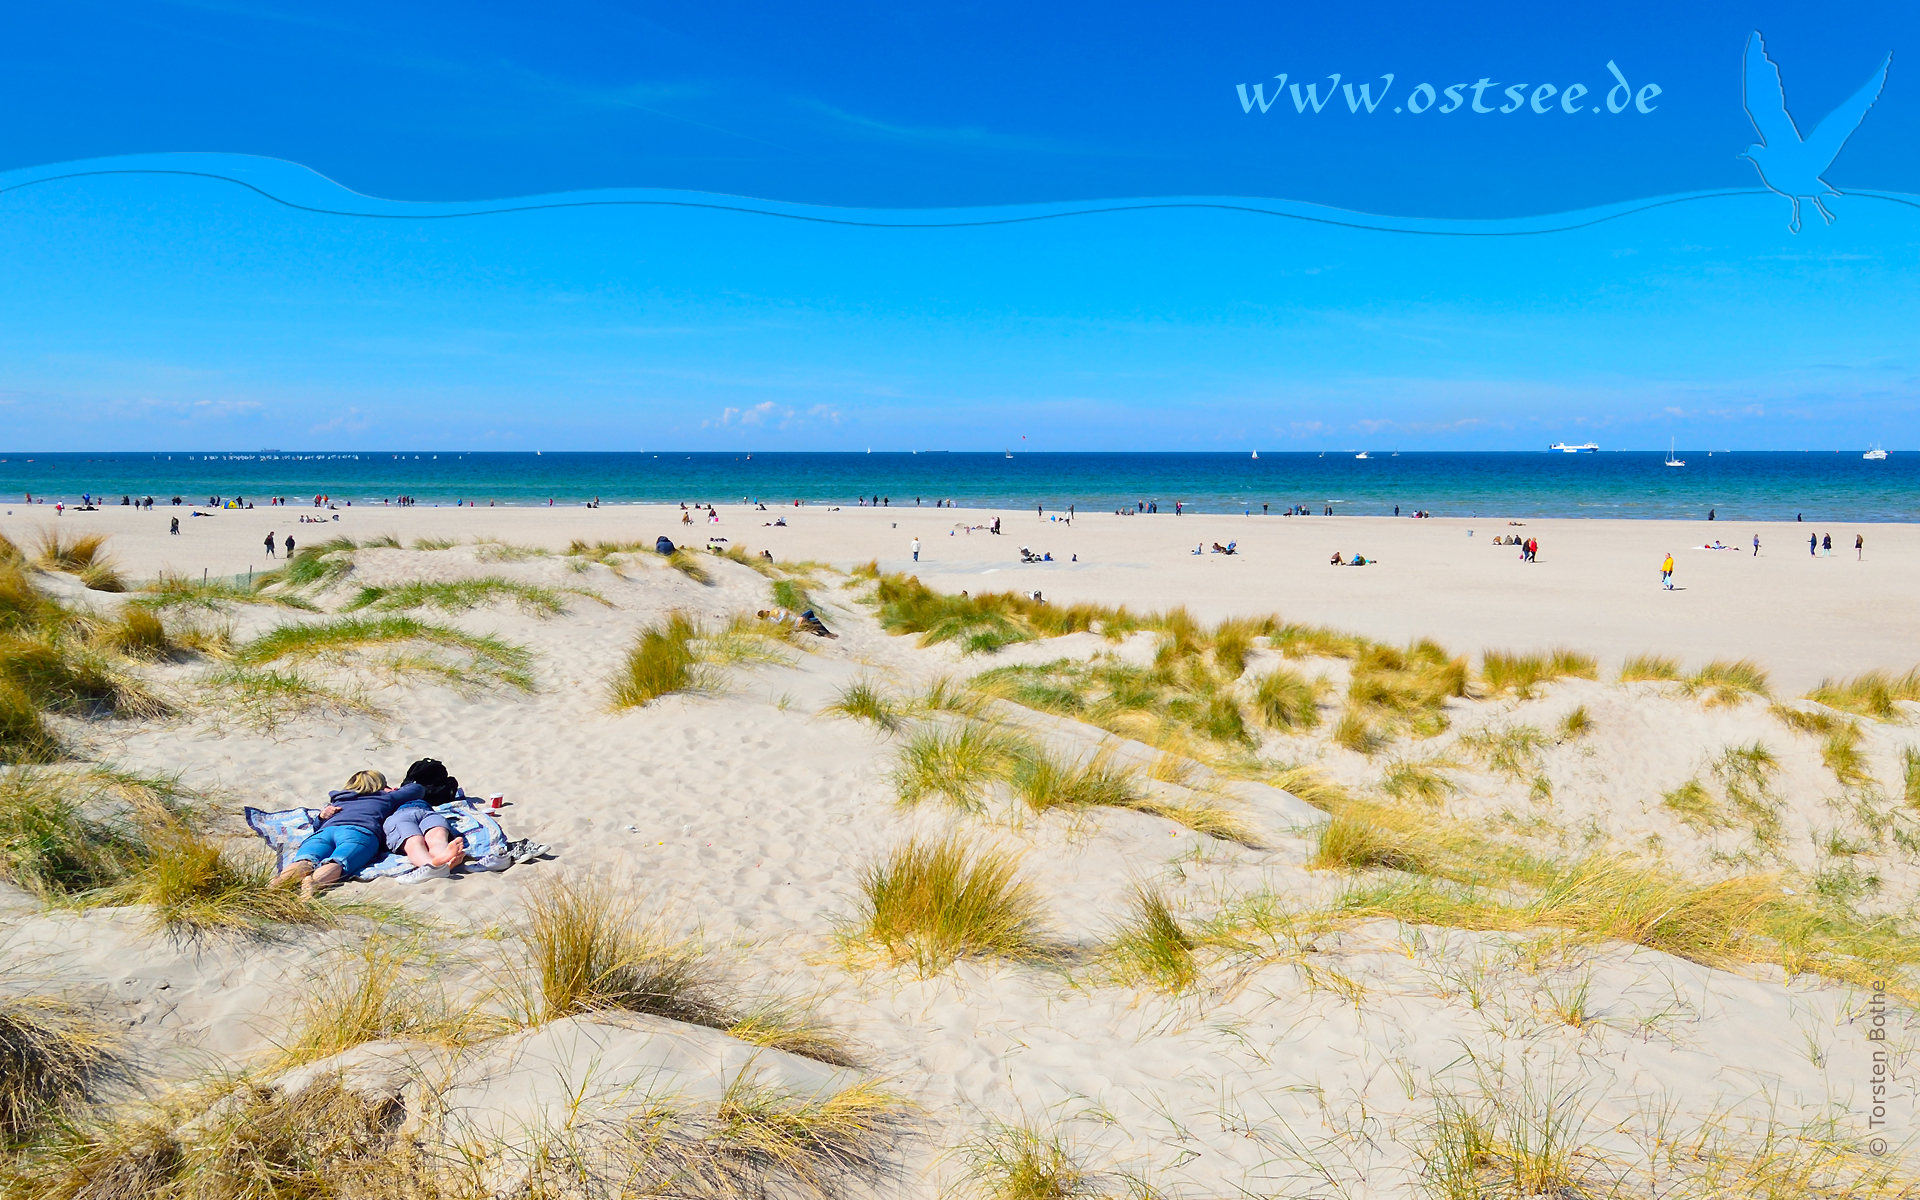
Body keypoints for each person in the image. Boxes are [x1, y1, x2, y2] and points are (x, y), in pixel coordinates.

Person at [271, 770, 425, 896]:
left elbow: (317, 826)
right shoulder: (385, 797)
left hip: (326, 831)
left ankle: (276, 884)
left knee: (305, 860)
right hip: (359, 832)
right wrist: (391, 790)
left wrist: (320, 817)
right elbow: (417, 789)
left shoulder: (339, 800)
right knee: (338, 862)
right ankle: (313, 882)